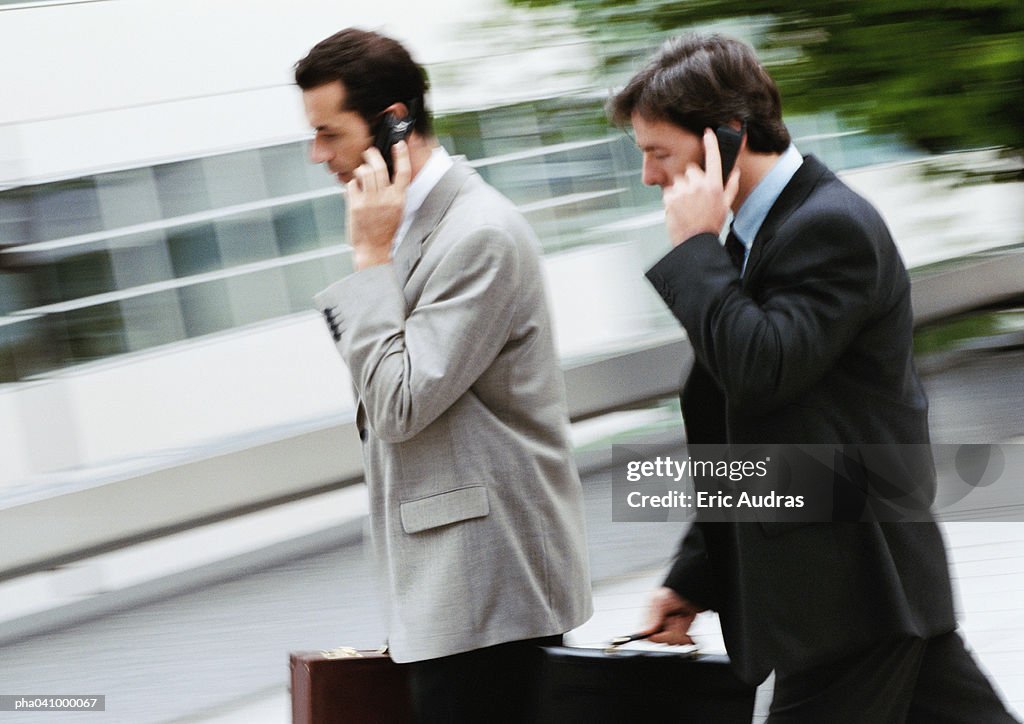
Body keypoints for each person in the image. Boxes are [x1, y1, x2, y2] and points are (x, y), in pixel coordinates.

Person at [609, 34, 1018, 722]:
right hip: (869, 588)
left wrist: (696, 250)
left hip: (850, 593)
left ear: (726, 141)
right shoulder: (752, 236)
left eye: (659, 153)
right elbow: (755, 433)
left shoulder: (829, 227)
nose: (649, 177)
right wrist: (694, 575)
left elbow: (761, 370)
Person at [294, 28, 592, 723]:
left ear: (394, 122)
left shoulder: (477, 234)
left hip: (490, 595)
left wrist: (369, 260)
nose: (318, 155)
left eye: (329, 133)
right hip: (447, 593)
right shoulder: (411, 225)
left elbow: (399, 403)